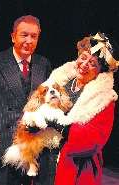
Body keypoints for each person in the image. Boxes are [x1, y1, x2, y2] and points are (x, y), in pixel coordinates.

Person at [0, 15, 51, 185]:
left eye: (34, 36)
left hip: (35, 147)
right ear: (13, 36)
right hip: (3, 146)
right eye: (24, 35)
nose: (29, 40)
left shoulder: (44, 64)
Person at [48, 32, 118, 185]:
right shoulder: (59, 81)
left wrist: (64, 129)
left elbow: (96, 139)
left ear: (101, 70)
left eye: (93, 63)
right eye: (83, 57)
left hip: (77, 168)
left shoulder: (104, 97)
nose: (85, 64)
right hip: (46, 161)